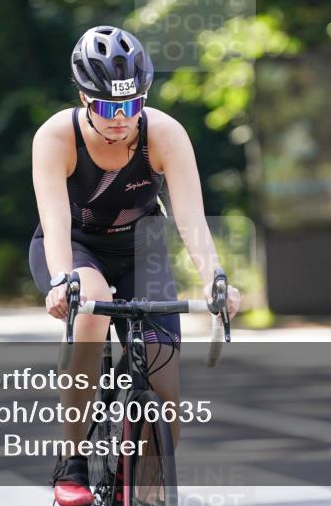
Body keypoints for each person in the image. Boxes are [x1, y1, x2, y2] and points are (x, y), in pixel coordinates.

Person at [30, 25, 241, 506]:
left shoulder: (165, 134)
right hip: (76, 248)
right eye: (108, 106)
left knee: (166, 390)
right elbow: (56, 220)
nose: (122, 118)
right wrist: (64, 281)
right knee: (92, 310)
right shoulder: (56, 137)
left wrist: (216, 280)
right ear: (84, 97)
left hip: (141, 252)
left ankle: (143, 491)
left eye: (133, 104)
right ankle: (73, 459)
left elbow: (190, 219)